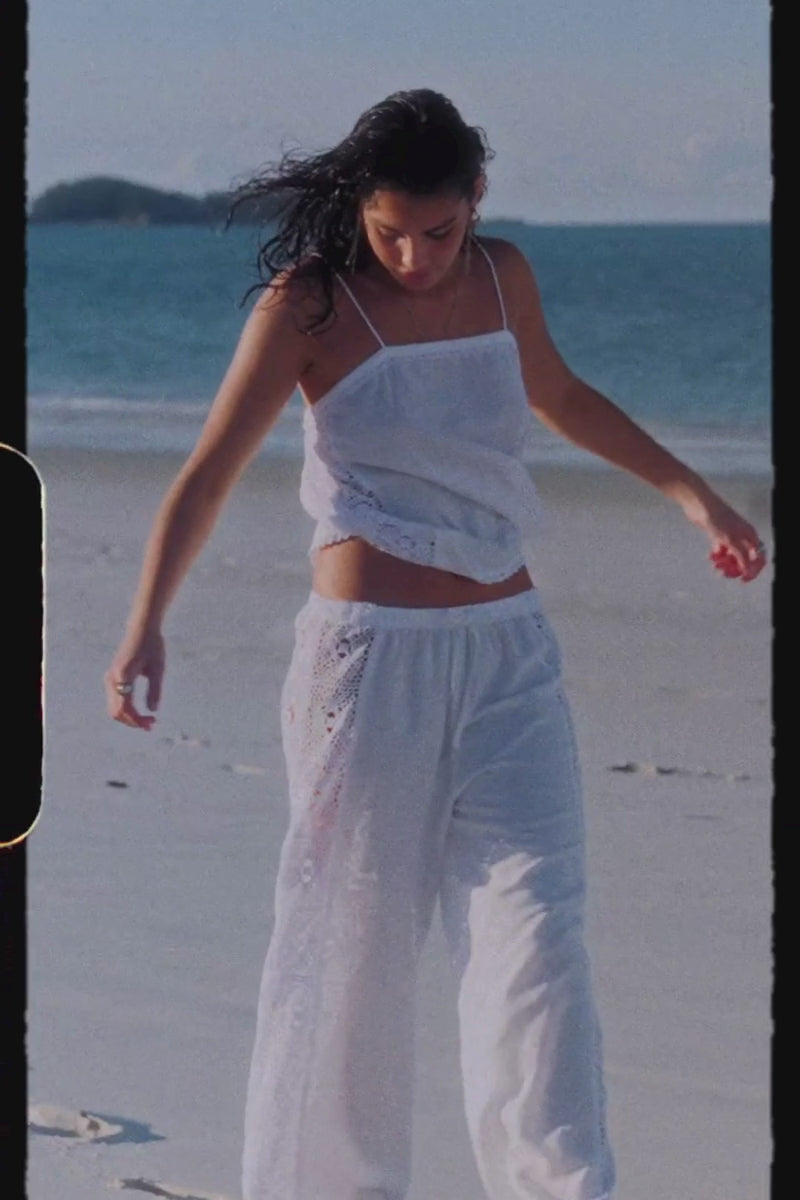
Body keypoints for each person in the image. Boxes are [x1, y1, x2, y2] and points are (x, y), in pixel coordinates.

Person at [105, 89, 766, 1200]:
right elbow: (209, 472)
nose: (413, 257)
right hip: (368, 668)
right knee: (351, 956)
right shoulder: (308, 306)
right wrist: (144, 625)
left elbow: (558, 394)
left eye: (438, 231)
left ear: (478, 199)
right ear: (360, 210)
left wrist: (694, 497)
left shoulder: (503, 277)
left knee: (538, 934)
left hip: (510, 657)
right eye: (389, 232)